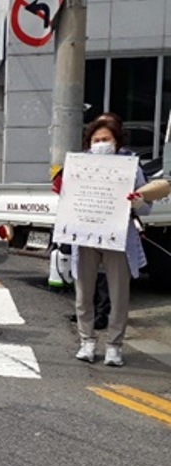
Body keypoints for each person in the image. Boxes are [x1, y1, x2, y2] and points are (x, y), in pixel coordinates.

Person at [70, 114, 150, 367]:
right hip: (85, 236)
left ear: (117, 142)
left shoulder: (131, 166)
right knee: (84, 293)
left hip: (118, 237)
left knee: (119, 295)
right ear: (89, 142)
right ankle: (87, 341)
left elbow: (146, 207)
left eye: (106, 139)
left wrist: (137, 200)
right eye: (96, 139)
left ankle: (114, 345)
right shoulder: (79, 166)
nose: (101, 143)